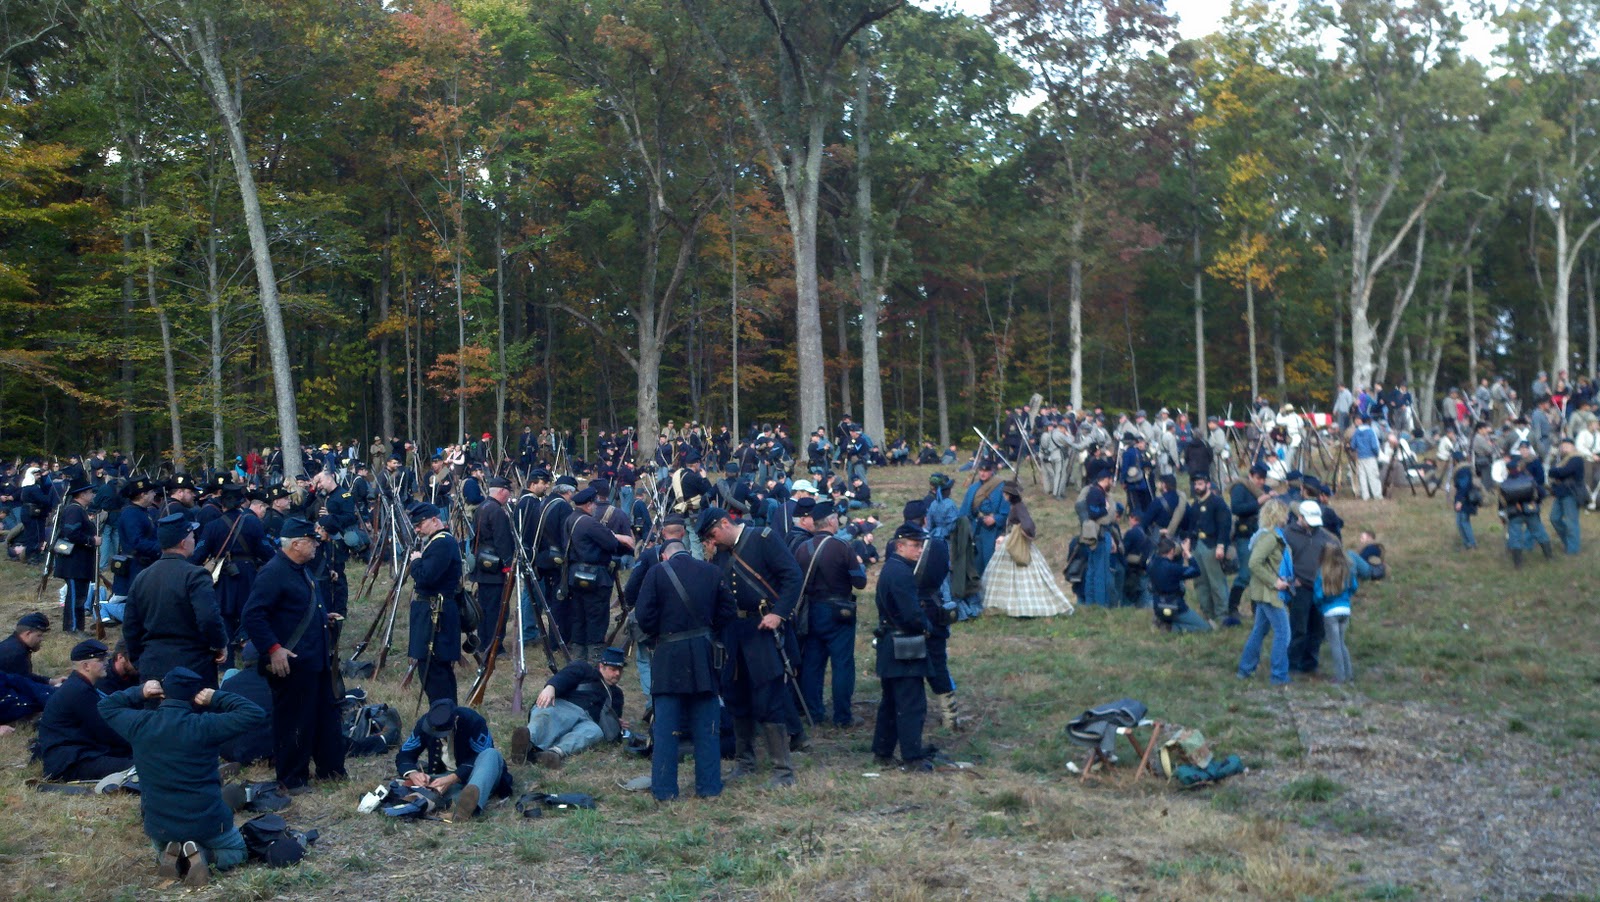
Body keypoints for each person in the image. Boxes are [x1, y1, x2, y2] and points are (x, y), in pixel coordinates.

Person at [99, 667, 268, 886]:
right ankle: (204, 856)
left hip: (160, 823)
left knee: (160, 845)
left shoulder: (140, 723)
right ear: (196, 696)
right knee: (237, 852)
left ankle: (171, 857)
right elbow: (254, 713)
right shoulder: (205, 725)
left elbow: (105, 705)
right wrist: (216, 697)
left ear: (163, 693)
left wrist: (140, 692)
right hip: (208, 821)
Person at [697, 507, 804, 788]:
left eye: (713, 534)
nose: (713, 541)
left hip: (763, 630)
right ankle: (745, 762)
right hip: (734, 632)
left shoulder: (764, 538)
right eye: (707, 538)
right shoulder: (719, 554)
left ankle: (783, 771)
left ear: (724, 523)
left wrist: (779, 613)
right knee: (736, 697)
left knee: (769, 698)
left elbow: (793, 576)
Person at [241, 517, 347, 792]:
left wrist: (325, 618)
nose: (316, 545)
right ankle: (292, 778)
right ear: (296, 544)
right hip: (292, 663)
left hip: (315, 658)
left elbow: (299, 607)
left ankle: (330, 769)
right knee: (294, 722)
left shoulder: (300, 569)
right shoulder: (273, 572)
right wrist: (273, 649)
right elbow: (253, 616)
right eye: (311, 541)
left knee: (325, 717)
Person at [634, 534, 735, 801]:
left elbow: (644, 616)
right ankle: (709, 787)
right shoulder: (711, 572)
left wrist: (661, 632)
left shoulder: (656, 573)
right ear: (687, 553)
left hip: (668, 655)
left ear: (665, 556)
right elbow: (728, 611)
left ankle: (665, 791)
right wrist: (708, 630)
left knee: (666, 730)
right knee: (707, 728)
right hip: (704, 654)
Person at [125, 514, 229, 689]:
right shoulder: (195, 575)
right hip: (192, 665)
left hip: (153, 665)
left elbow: (130, 626)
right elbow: (208, 617)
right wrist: (220, 644)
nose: (194, 539)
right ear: (183, 542)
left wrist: (139, 660)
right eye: (191, 535)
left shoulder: (143, 577)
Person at [871, 523, 939, 770]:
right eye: (914, 545)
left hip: (892, 643)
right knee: (911, 704)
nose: (919, 550)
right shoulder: (900, 573)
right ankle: (911, 757)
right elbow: (910, 614)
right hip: (903, 646)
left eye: (921, 545)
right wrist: (927, 627)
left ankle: (883, 750)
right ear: (900, 546)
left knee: (890, 702)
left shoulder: (893, 568)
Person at [794, 500, 868, 728]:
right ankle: (842, 717)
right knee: (842, 664)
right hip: (839, 612)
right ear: (832, 521)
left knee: (813, 664)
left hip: (812, 611)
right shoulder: (842, 547)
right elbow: (860, 582)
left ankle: (814, 713)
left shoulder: (802, 549)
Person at [395, 699, 513, 821]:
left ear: (455, 720)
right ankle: (450, 800)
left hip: (476, 774)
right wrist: (412, 773)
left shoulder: (473, 721)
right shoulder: (426, 723)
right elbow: (405, 753)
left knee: (491, 754)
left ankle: (468, 804)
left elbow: (480, 755)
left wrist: (454, 777)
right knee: (408, 784)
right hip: (444, 777)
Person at [511, 647, 627, 769]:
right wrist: (551, 687)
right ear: (601, 666)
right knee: (549, 716)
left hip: (589, 721)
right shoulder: (585, 669)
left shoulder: (617, 695)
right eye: (613, 669)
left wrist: (616, 722)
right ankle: (526, 743)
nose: (617, 674)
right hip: (565, 707)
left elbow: (611, 719)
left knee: (595, 732)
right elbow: (566, 676)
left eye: (620, 670)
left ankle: (554, 753)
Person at [36, 639, 133, 781]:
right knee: (139, 766)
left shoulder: (79, 686)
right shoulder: (79, 691)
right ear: (86, 666)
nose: (106, 663)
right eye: (100, 660)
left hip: (77, 754)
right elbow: (105, 730)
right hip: (71, 762)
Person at [563, 486, 634, 663]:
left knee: (579, 615)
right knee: (597, 616)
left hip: (575, 574)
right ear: (588, 505)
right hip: (595, 576)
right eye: (593, 503)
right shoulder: (589, 523)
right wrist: (617, 536)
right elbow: (610, 543)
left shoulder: (570, 519)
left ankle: (578, 654)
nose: (595, 506)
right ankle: (595, 656)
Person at [983, 481, 1073, 617]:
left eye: (1005, 493)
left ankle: (1023, 609)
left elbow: (1028, 526)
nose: (1003, 495)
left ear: (1009, 495)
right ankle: (1008, 607)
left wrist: (1018, 534)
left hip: (1017, 545)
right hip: (1012, 543)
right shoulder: (1015, 506)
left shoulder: (1019, 507)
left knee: (1023, 578)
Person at [407, 502, 463, 704]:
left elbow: (425, 577)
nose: (417, 529)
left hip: (436, 614)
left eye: (420, 524)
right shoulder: (437, 541)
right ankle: (444, 713)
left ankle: (443, 716)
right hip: (432, 611)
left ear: (433, 520)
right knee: (432, 668)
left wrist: (415, 561)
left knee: (434, 669)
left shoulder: (442, 543)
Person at [1238, 500, 1293, 685]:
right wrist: (1274, 582)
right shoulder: (1270, 537)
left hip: (1264, 592)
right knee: (1283, 633)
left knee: (1259, 631)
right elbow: (1254, 562)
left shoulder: (1268, 535)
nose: (1287, 518)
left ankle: (1245, 669)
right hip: (1269, 593)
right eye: (1284, 514)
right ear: (1278, 515)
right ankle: (1279, 675)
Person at [1283, 500, 1337, 675]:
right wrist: (1290, 581)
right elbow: (1281, 561)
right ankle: (1293, 663)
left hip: (1320, 588)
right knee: (1299, 627)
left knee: (1318, 628)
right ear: (1300, 517)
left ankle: (1310, 662)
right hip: (1300, 587)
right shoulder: (1287, 535)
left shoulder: (1324, 537)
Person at [1177, 473, 1232, 626]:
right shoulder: (1194, 504)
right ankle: (1207, 613)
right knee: (1200, 582)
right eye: (1195, 484)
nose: (1197, 487)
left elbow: (1224, 525)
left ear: (1207, 484)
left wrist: (1221, 545)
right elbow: (1191, 526)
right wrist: (1187, 541)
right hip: (1197, 545)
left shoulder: (1217, 502)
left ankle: (1222, 614)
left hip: (1211, 545)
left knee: (1216, 582)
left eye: (1200, 484)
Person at [470, 477, 516, 653]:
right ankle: (493, 645)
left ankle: (485, 641)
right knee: (496, 609)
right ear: (502, 491)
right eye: (508, 492)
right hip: (495, 568)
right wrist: (508, 565)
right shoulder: (496, 511)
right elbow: (502, 541)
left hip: (483, 565)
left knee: (486, 607)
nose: (508, 496)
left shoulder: (482, 507)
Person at [52, 473, 100, 635]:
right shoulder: (74, 510)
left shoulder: (79, 510)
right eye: (90, 492)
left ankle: (77, 627)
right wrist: (91, 540)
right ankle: (72, 628)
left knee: (80, 596)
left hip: (80, 562)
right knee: (75, 597)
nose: (92, 495)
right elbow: (71, 533)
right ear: (82, 494)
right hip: (73, 561)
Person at [1497, 455, 1551, 568]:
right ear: (1519, 468)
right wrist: (1536, 502)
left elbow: (1501, 504)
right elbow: (1541, 493)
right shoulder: (1530, 480)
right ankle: (1549, 557)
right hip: (1530, 510)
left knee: (1515, 537)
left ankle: (1518, 564)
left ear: (1508, 470)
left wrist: (1502, 516)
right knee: (1540, 532)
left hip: (1514, 513)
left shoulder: (1504, 485)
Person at [1315, 542, 1357, 684]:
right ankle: (1349, 673)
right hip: (1345, 609)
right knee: (1342, 642)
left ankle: (1340, 676)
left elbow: (1319, 595)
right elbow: (1354, 587)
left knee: (1335, 645)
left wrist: (1320, 606)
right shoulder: (1347, 570)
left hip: (1330, 611)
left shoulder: (1323, 573)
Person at [958, 461, 1009, 573]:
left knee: (990, 561)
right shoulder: (973, 488)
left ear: (992, 471)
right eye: (981, 470)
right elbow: (964, 510)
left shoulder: (1001, 486)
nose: (982, 473)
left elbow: (1006, 510)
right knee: (975, 563)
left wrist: (995, 519)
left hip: (992, 531)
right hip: (975, 528)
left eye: (986, 471)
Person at [0, 611, 59, 687]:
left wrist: (50, 681)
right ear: (28, 634)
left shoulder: (13, 644)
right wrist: (53, 689)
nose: (41, 639)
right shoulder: (17, 653)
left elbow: (25, 676)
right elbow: (25, 687)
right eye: (39, 635)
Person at [1547, 437, 1584, 555]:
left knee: (1571, 522)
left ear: (1573, 447)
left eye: (1567, 445)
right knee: (1554, 518)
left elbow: (1563, 472)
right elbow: (1551, 471)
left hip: (1571, 493)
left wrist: (1556, 471)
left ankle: (1573, 550)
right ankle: (1568, 542)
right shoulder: (1561, 459)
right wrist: (1555, 471)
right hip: (1560, 492)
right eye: (1563, 446)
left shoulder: (1576, 458)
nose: (1564, 447)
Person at [1351, 414, 1382, 500]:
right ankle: (1377, 495)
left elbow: (1353, 445)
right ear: (1368, 421)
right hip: (1370, 456)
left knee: (1362, 476)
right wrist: (1376, 454)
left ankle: (1365, 496)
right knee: (1373, 476)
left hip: (1360, 456)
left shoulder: (1356, 432)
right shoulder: (1371, 431)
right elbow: (1374, 446)